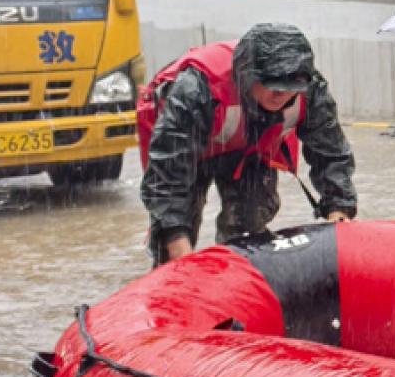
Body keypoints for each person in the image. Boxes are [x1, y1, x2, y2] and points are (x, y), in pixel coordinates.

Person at [137, 23, 357, 265]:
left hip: (250, 152)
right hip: (185, 155)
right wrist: (177, 243)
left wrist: (339, 208)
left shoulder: (310, 89)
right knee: (174, 235)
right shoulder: (196, 89)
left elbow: (331, 153)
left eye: (289, 88)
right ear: (247, 76)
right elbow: (167, 174)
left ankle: (238, 272)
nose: (279, 95)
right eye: (271, 85)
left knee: (249, 227)